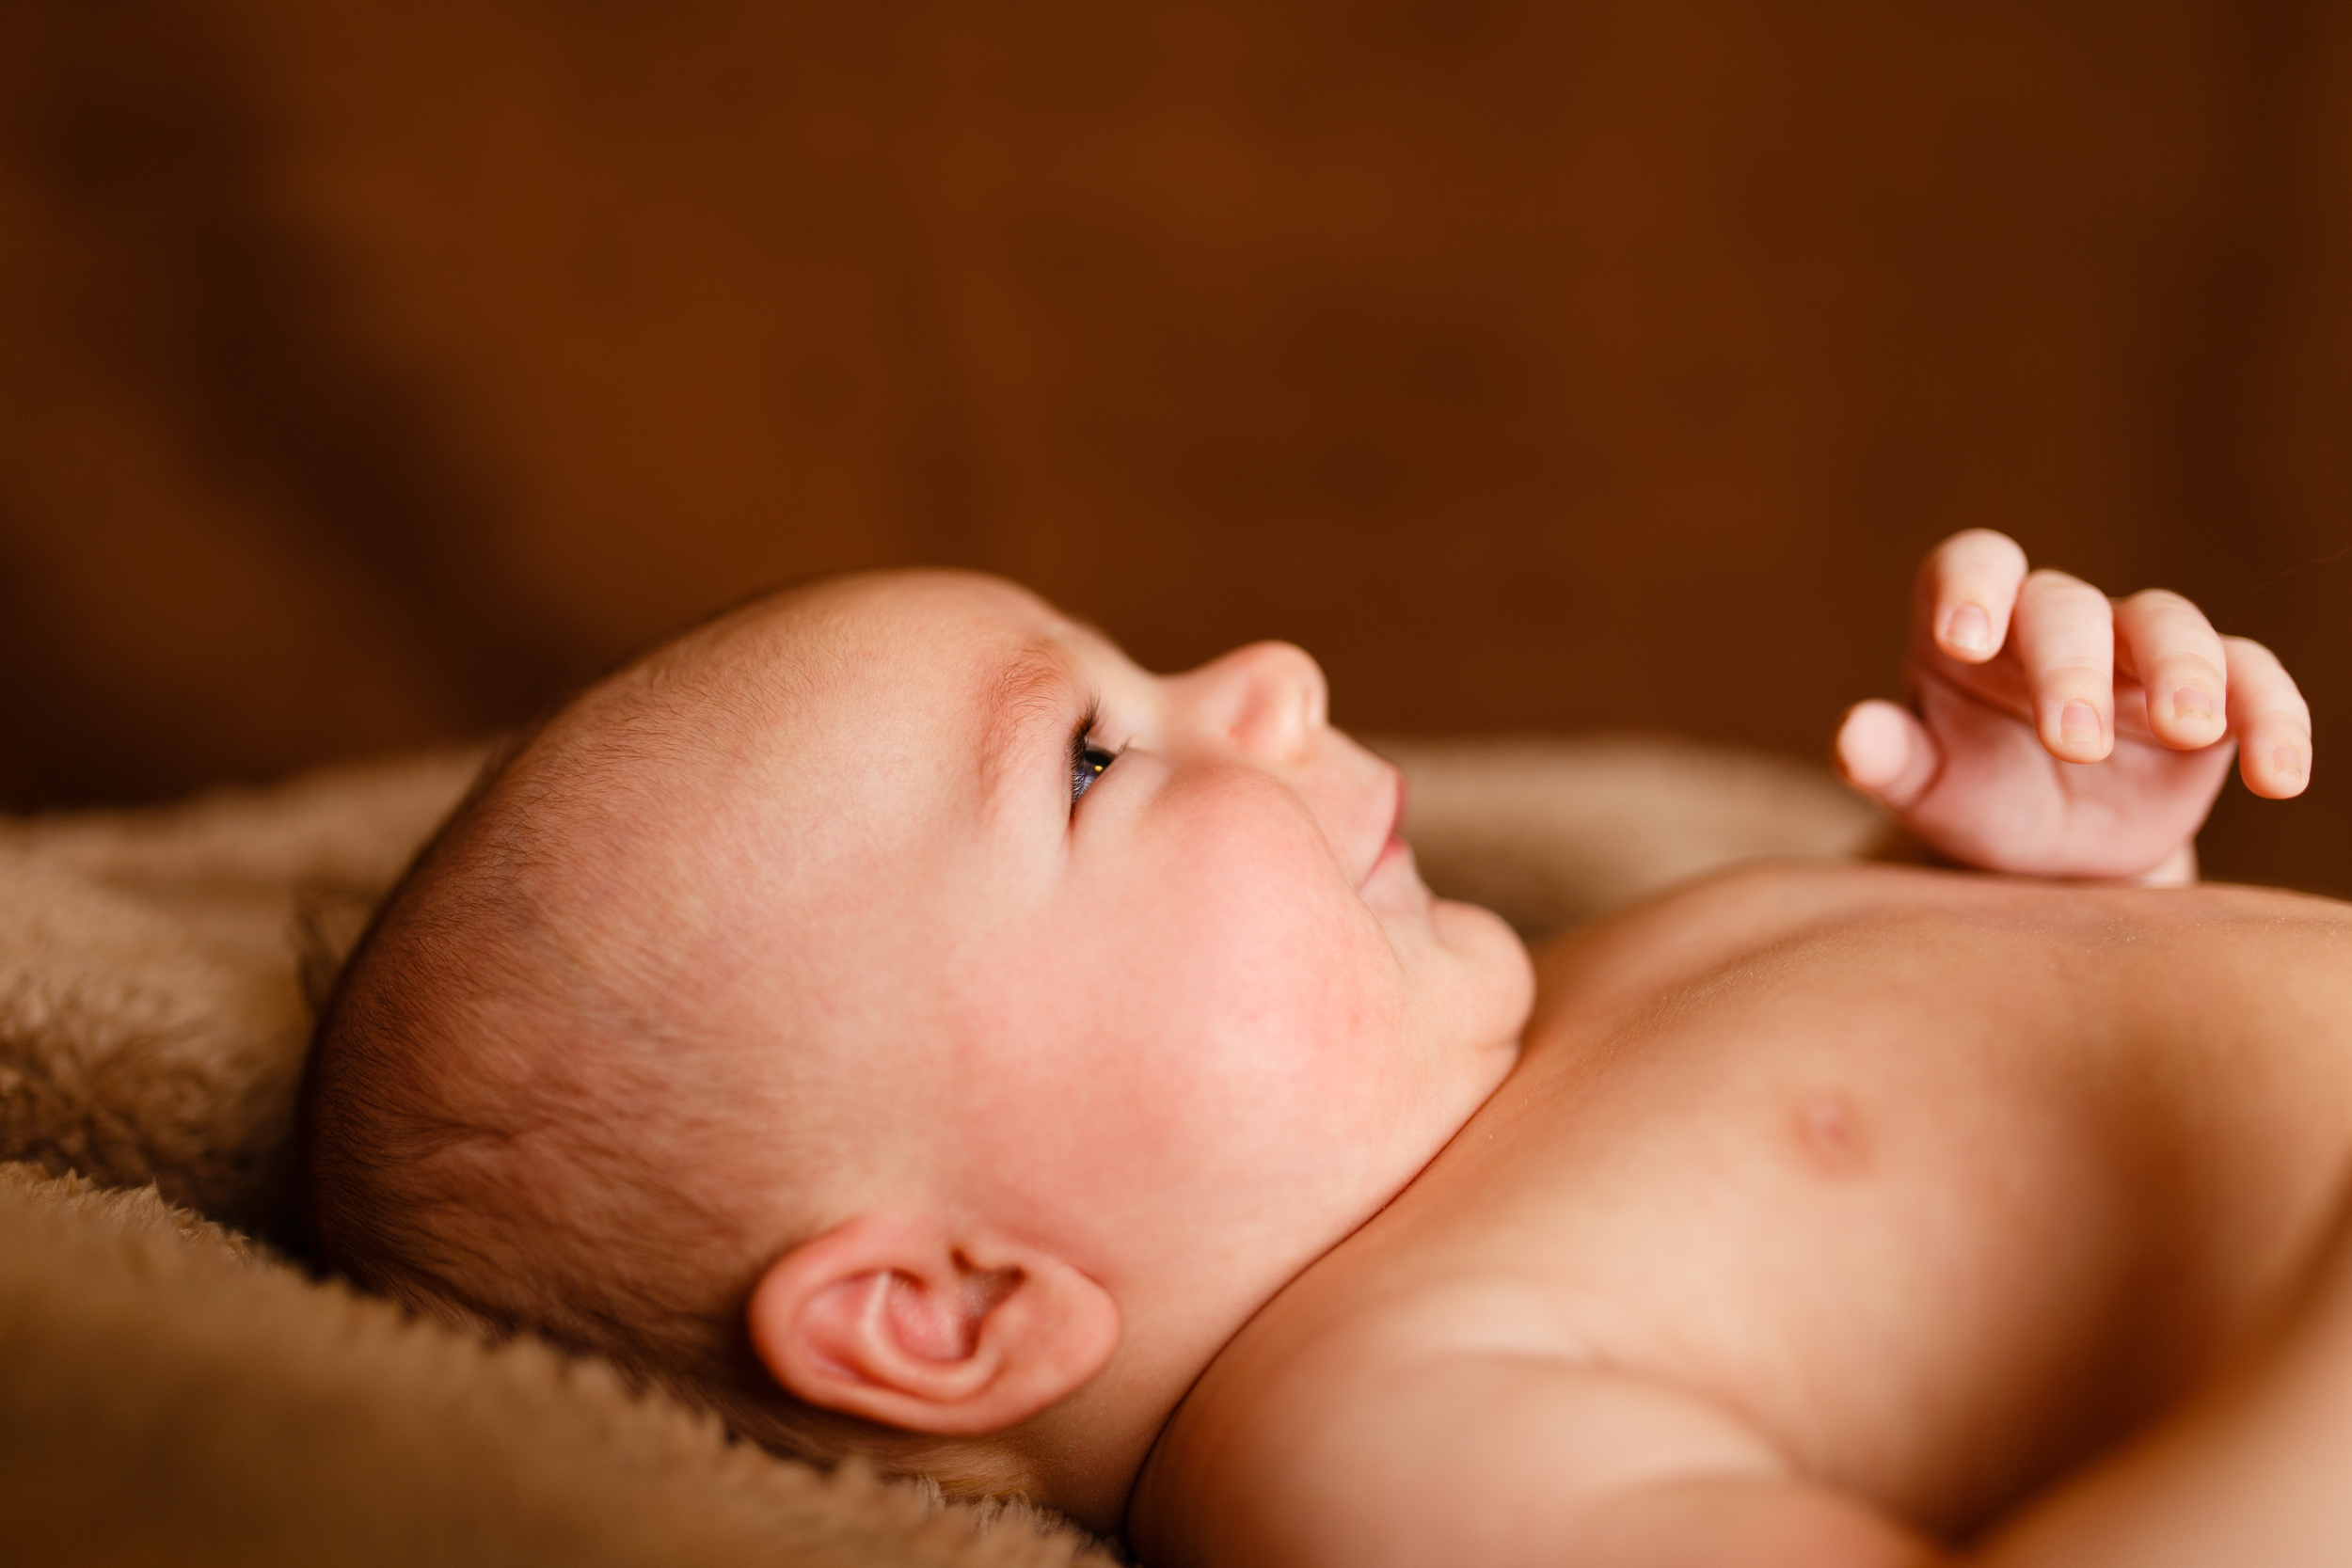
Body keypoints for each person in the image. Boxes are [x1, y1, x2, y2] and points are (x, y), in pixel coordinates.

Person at [300, 531, 2340, 1566]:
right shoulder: (1373, 1431)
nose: (1265, 679)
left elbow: (1975, 1205)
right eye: (1093, 759)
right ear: (936, 1305)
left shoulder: (1515, 1050)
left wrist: (2033, 865)